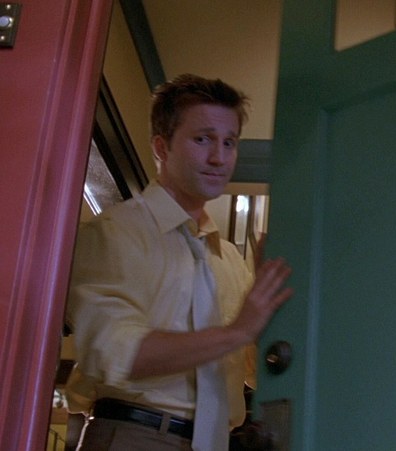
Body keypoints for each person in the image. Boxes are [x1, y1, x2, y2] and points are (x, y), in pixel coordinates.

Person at [65, 74, 293, 451]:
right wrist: (237, 331)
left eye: (229, 142)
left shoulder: (230, 260)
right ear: (162, 147)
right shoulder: (115, 233)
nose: (219, 157)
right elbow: (115, 353)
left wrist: (269, 318)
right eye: (203, 139)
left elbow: (253, 373)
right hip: (134, 437)